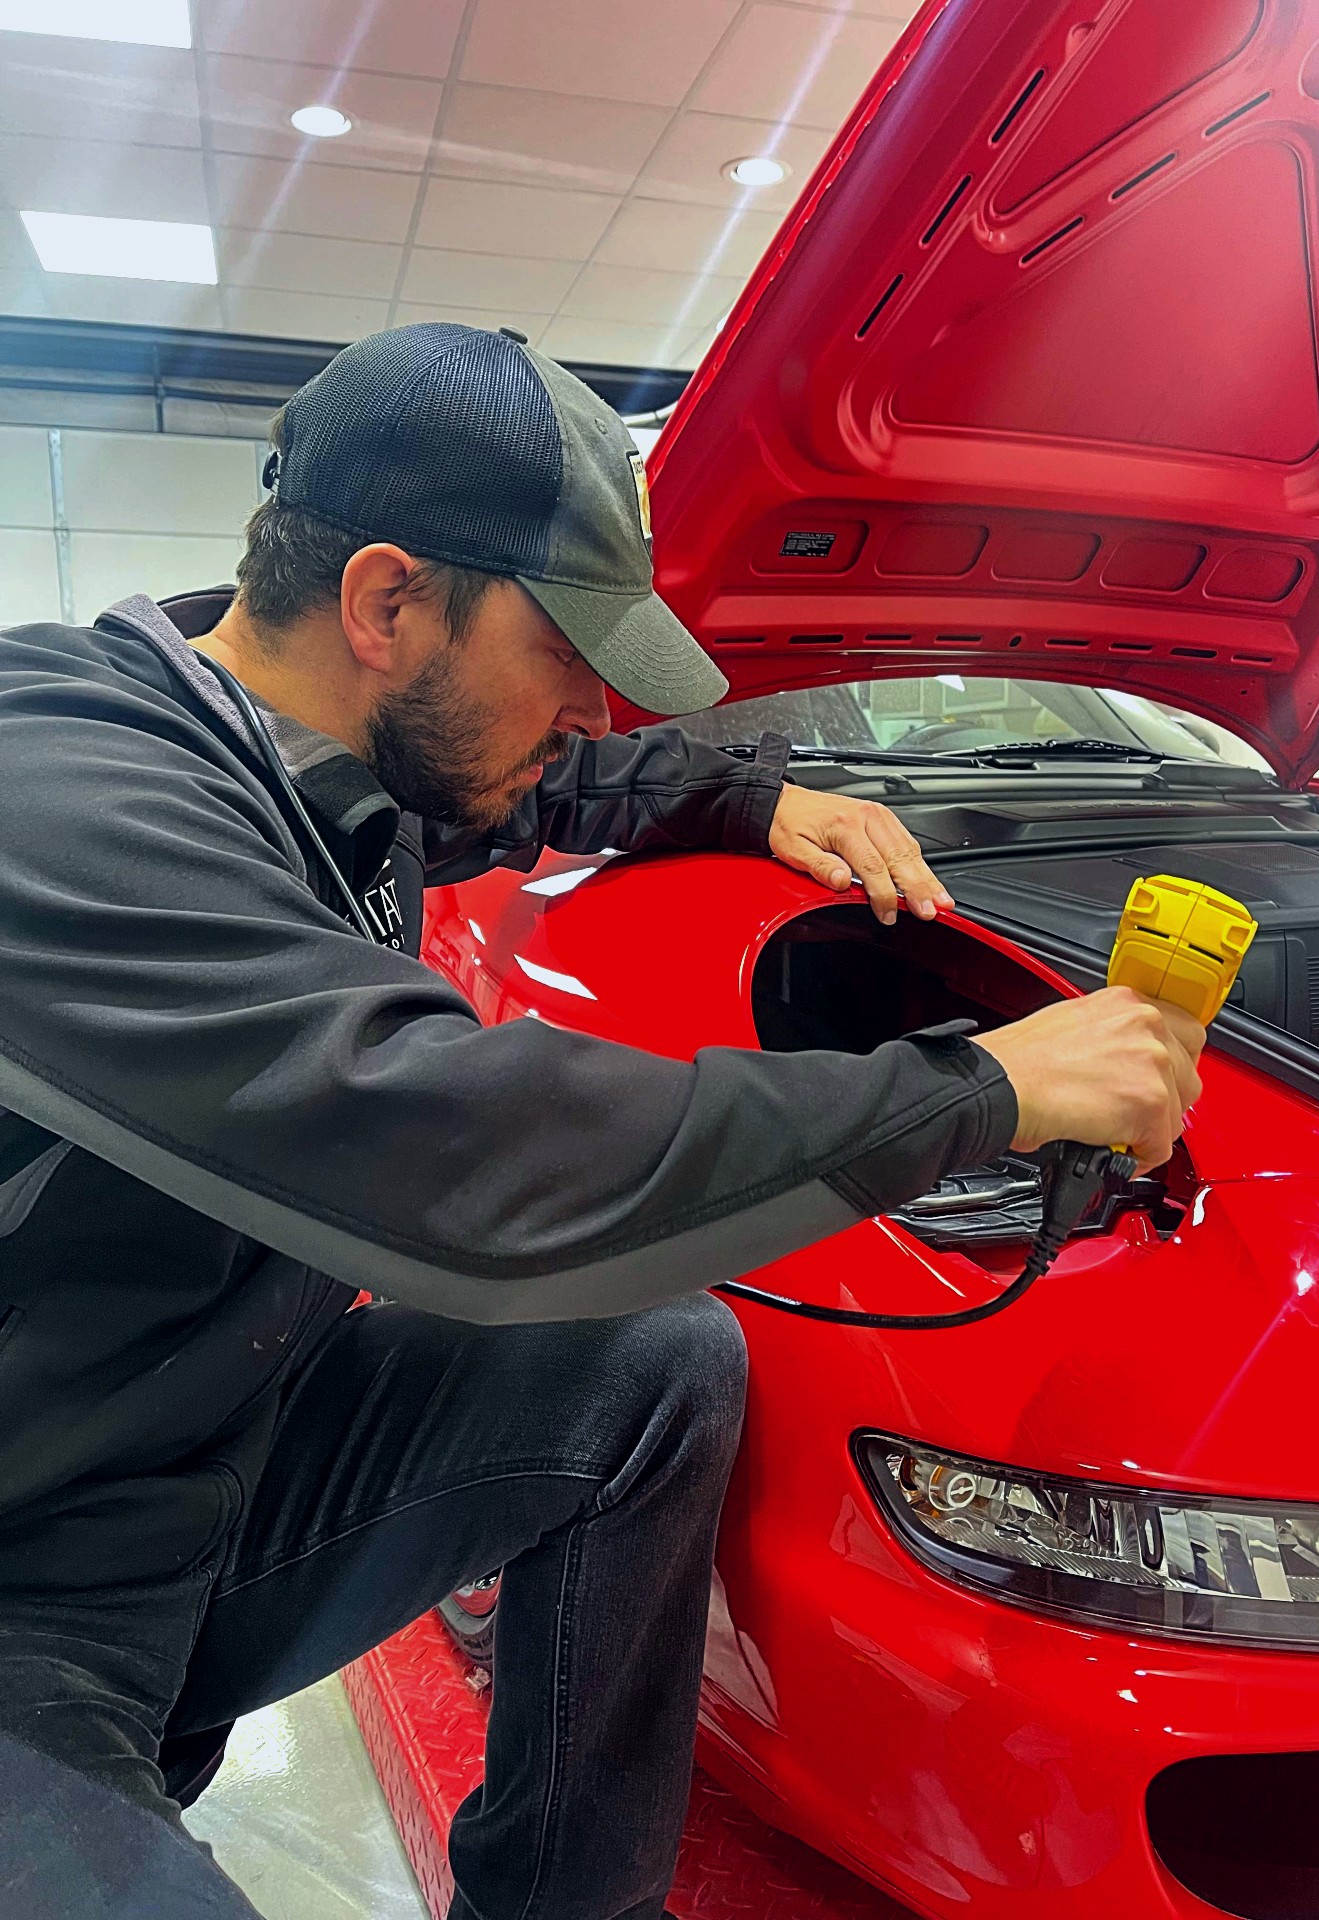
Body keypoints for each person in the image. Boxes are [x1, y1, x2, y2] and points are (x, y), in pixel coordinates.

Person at [0, 324, 1203, 1917]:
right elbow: (464, 1155)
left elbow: (554, 787)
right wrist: (987, 1086)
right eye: (563, 649)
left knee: (655, 1362)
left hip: (202, 1478)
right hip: (33, 1575)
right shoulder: (65, 798)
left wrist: (753, 796)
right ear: (386, 601)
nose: (588, 703)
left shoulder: (339, 753)